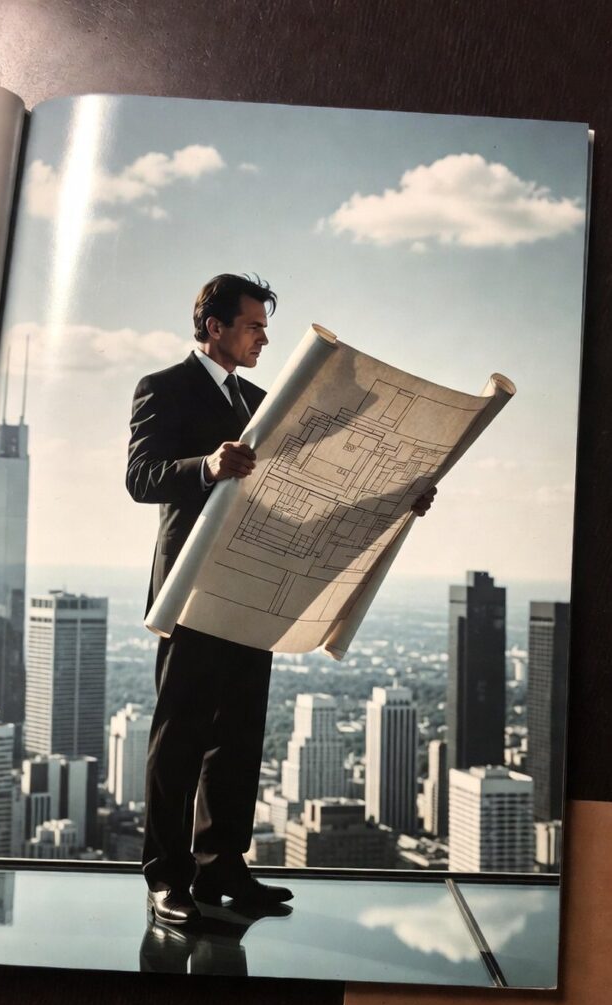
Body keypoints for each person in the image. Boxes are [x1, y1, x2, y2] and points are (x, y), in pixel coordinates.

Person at [126, 273, 435, 926]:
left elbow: (318, 488)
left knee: (237, 736)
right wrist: (207, 466)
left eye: (265, 328)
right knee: (178, 738)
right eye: (253, 326)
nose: (264, 338)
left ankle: (222, 869)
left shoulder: (270, 401)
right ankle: (166, 881)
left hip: (257, 588)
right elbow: (141, 478)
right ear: (213, 326)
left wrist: (399, 499)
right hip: (192, 588)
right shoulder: (164, 387)